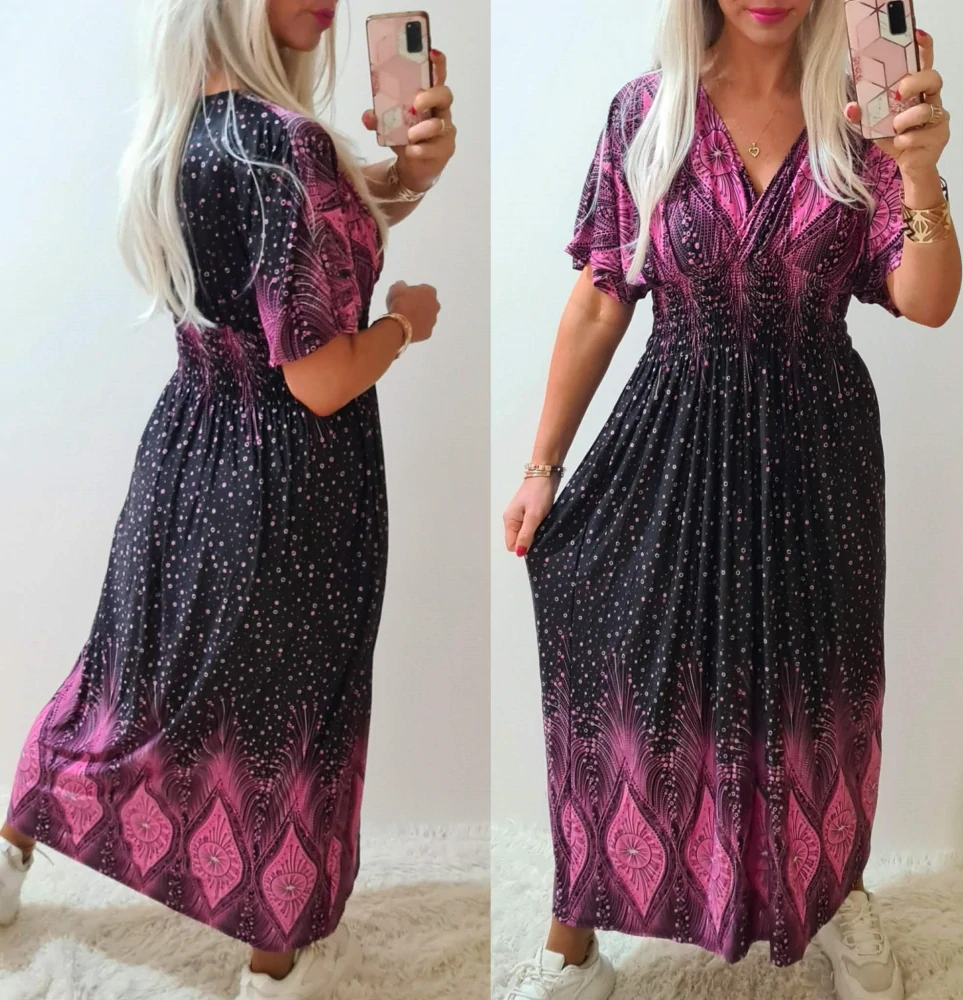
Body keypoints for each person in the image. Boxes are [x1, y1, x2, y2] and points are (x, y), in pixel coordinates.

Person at [502, 1, 958, 998]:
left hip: (818, 454)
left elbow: (926, 301)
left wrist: (921, 172)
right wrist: (542, 465)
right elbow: (601, 295)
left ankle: (837, 892)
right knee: (628, 687)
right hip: (671, 436)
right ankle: (574, 927)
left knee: (819, 695)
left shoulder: (861, 116)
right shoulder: (647, 113)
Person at [0, 2, 456, 998]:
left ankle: (9, 855)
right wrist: (405, 323)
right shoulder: (289, 144)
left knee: (129, 676)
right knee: (286, 710)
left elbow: (301, 247)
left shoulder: (180, 131)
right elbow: (320, 380)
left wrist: (404, 177)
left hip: (189, 445)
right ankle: (274, 963)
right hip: (293, 481)